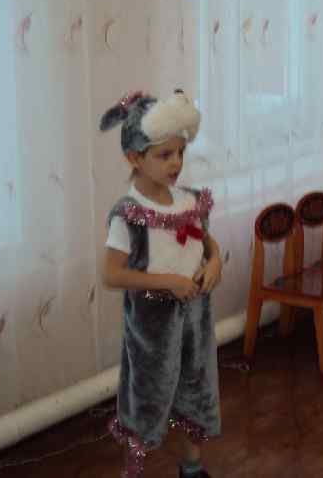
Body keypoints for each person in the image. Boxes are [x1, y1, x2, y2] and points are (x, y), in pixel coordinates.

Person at [100, 89, 222, 478]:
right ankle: (134, 469)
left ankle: (192, 467)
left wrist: (214, 260)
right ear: (135, 158)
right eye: (164, 155)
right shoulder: (130, 214)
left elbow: (205, 242)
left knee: (193, 391)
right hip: (152, 330)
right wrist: (168, 281)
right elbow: (111, 274)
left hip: (195, 320)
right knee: (148, 400)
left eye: (180, 153)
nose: (176, 163)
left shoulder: (188, 201)